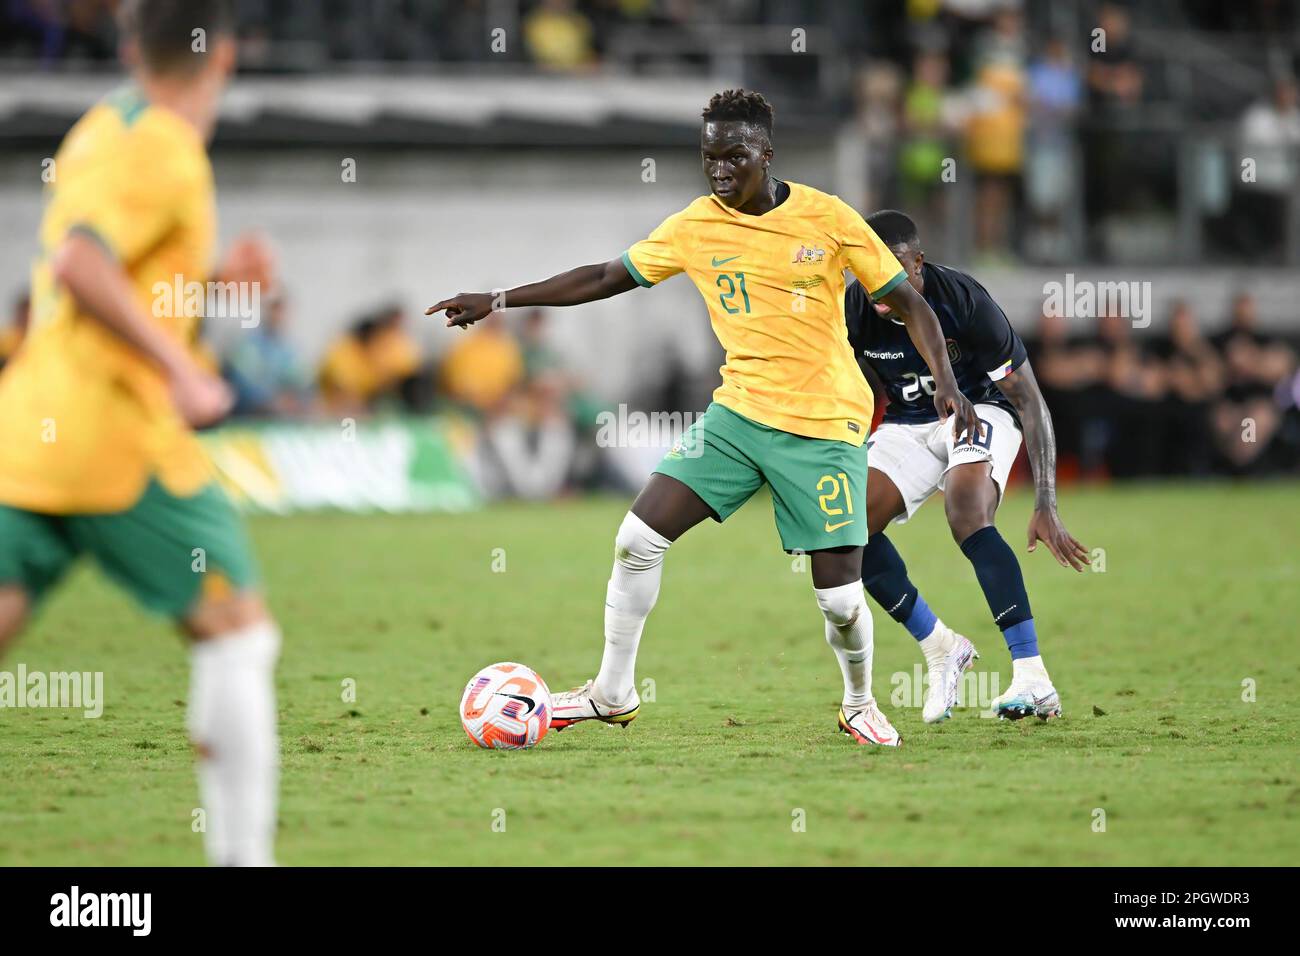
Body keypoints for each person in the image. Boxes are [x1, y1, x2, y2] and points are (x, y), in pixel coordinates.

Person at [428, 90, 978, 747]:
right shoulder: (695, 225)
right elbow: (607, 276)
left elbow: (911, 305)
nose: (719, 170)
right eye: (709, 157)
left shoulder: (828, 218)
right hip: (738, 417)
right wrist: (498, 299)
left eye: (733, 156)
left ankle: (858, 701)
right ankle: (612, 693)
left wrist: (947, 385)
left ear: (767, 155)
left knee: (837, 598)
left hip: (824, 424)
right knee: (636, 539)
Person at [0, 0, 280, 866]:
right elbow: (81, 265)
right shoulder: (165, 145)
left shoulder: (99, 127)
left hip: (28, 428)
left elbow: (119, 269)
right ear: (223, 54)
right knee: (238, 629)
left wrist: (214, 286)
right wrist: (183, 369)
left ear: (128, 45)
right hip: (113, 435)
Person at [846, 210, 1088, 724]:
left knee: (965, 509)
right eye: (870, 270)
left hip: (983, 409)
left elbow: (1029, 400)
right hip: (910, 421)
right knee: (848, 527)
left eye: (895, 270)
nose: (882, 285)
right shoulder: (854, 307)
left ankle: (1032, 675)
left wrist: (1046, 500)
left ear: (919, 263)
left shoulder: (965, 302)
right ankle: (940, 645)